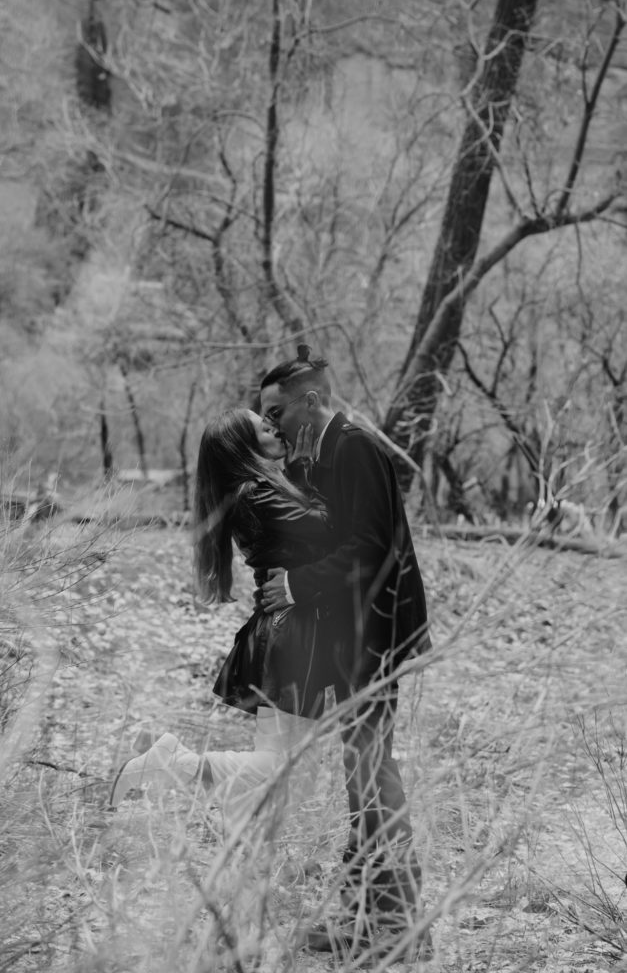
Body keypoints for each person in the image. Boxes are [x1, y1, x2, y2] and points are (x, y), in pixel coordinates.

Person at [260, 345, 432, 959]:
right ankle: (366, 919)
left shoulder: (355, 445)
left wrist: (298, 585)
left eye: (277, 412)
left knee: (373, 773)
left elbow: (370, 548)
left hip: (378, 635)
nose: (272, 425)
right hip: (354, 636)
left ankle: (399, 929)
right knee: (361, 773)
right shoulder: (322, 452)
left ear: (310, 400)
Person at [109, 408, 334, 834]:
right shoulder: (255, 493)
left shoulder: (258, 489)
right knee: (293, 773)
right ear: (243, 446)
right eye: (263, 427)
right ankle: (178, 764)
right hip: (293, 633)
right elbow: (329, 529)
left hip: (287, 628)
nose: (274, 428)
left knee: (279, 764)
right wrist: (309, 465)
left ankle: (242, 847)